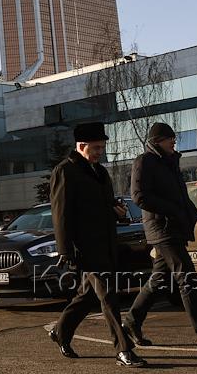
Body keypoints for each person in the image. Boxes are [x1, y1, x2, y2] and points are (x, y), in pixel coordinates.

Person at [124, 122, 197, 353]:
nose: (174, 142)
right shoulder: (145, 161)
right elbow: (139, 196)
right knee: (187, 278)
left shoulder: (169, 162)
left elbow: (178, 195)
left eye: (173, 138)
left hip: (174, 227)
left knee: (159, 279)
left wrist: (189, 211)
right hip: (162, 229)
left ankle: (131, 322)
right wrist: (173, 211)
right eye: (170, 139)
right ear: (157, 141)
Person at [50, 122, 147, 368]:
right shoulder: (65, 171)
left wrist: (117, 210)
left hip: (106, 243)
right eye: (96, 148)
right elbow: (61, 214)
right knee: (109, 297)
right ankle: (123, 349)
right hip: (85, 247)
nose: (100, 152)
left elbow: (103, 204)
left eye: (102, 147)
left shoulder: (100, 172)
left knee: (87, 296)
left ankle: (60, 331)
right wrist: (65, 250)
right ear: (81, 146)